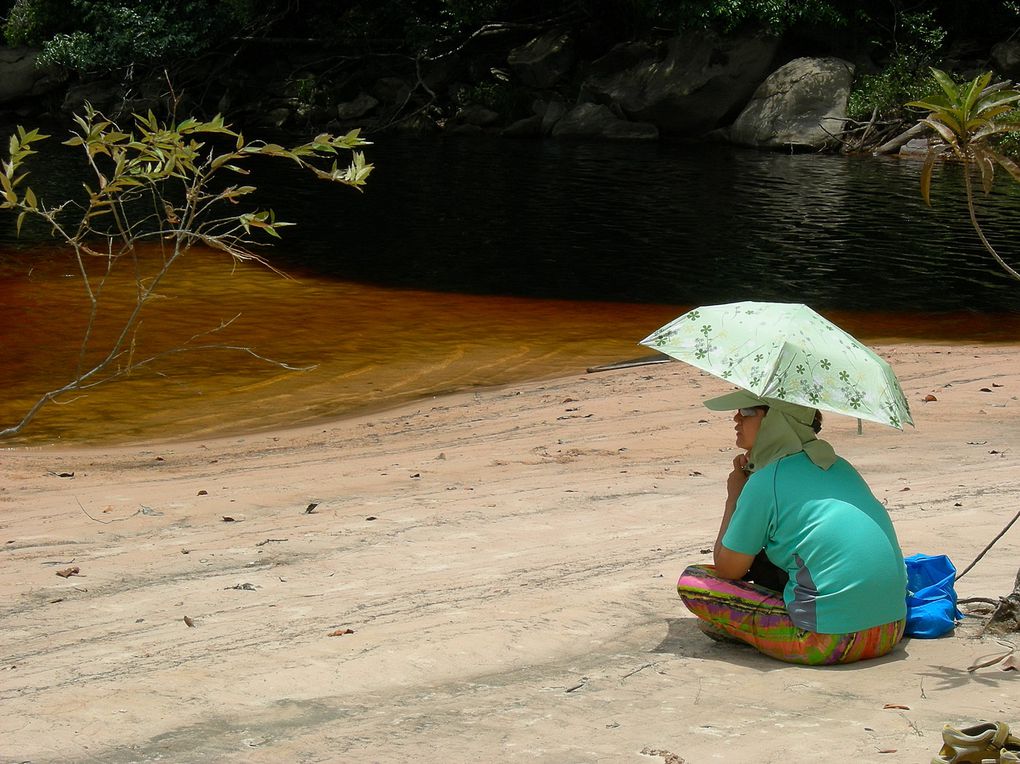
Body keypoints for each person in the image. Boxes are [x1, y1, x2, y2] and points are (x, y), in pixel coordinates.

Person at [676, 389, 907, 665]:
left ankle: (749, 629)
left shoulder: (765, 481)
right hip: (891, 630)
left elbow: (727, 568)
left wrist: (735, 495)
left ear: (777, 422)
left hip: (827, 641)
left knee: (693, 581)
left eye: (748, 411)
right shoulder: (839, 466)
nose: (736, 418)